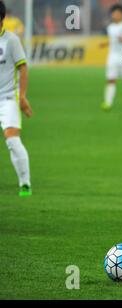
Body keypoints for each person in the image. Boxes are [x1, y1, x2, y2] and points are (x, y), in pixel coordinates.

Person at [0, 1, 33, 197]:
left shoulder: (11, 41)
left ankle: (25, 183)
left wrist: (22, 97)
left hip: (7, 98)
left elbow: (23, 68)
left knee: (12, 140)